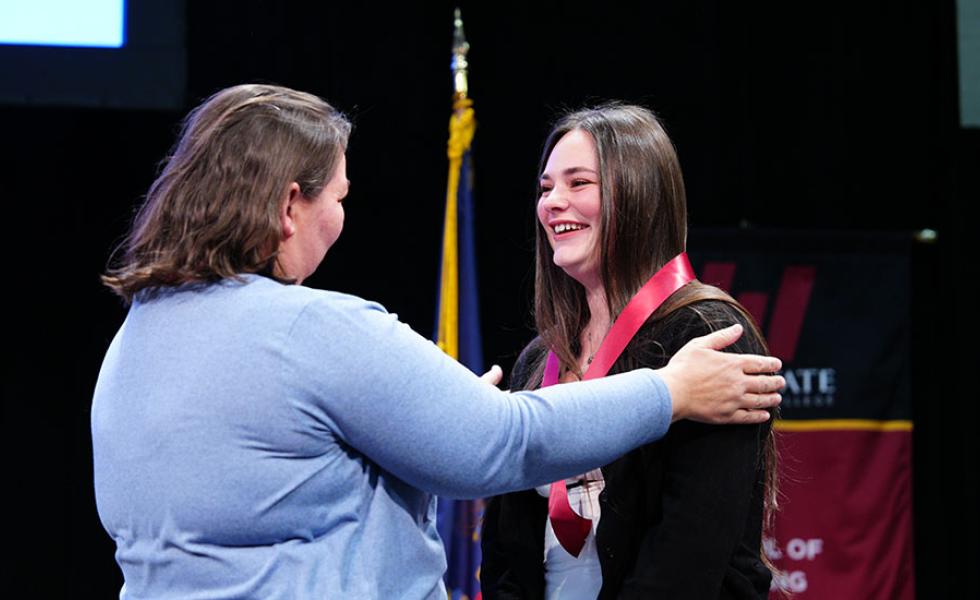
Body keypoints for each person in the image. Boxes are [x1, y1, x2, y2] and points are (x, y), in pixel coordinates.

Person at [91, 85, 783, 599]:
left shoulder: (132, 343)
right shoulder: (308, 328)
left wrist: (426, 429)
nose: (339, 221)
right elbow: (501, 444)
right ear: (287, 205)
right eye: (338, 198)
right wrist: (670, 391)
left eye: (580, 183)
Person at [480, 104, 778, 599]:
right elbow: (507, 551)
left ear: (637, 195)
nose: (553, 202)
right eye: (546, 187)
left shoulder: (708, 334)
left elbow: (688, 556)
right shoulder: (539, 359)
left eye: (578, 183)